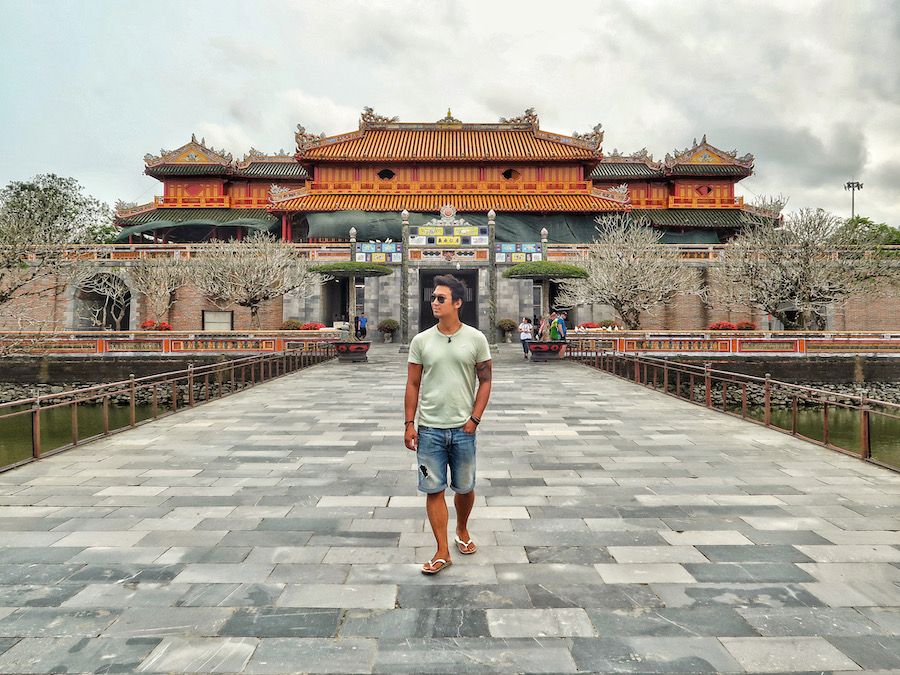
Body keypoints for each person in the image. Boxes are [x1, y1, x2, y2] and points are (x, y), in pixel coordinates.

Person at [404, 274, 492, 575]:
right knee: (434, 489)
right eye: (433, 298)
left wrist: (474, 420)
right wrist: (409, 423)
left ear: (457, 302)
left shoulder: (476, 339)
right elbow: (413, 383)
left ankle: (462, 529)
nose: (434, 302)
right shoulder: (422, 340)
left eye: (441, 298)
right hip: (429, 429)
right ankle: (442, 550)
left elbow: (486, 380)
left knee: (465, 488)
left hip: (463, 429)